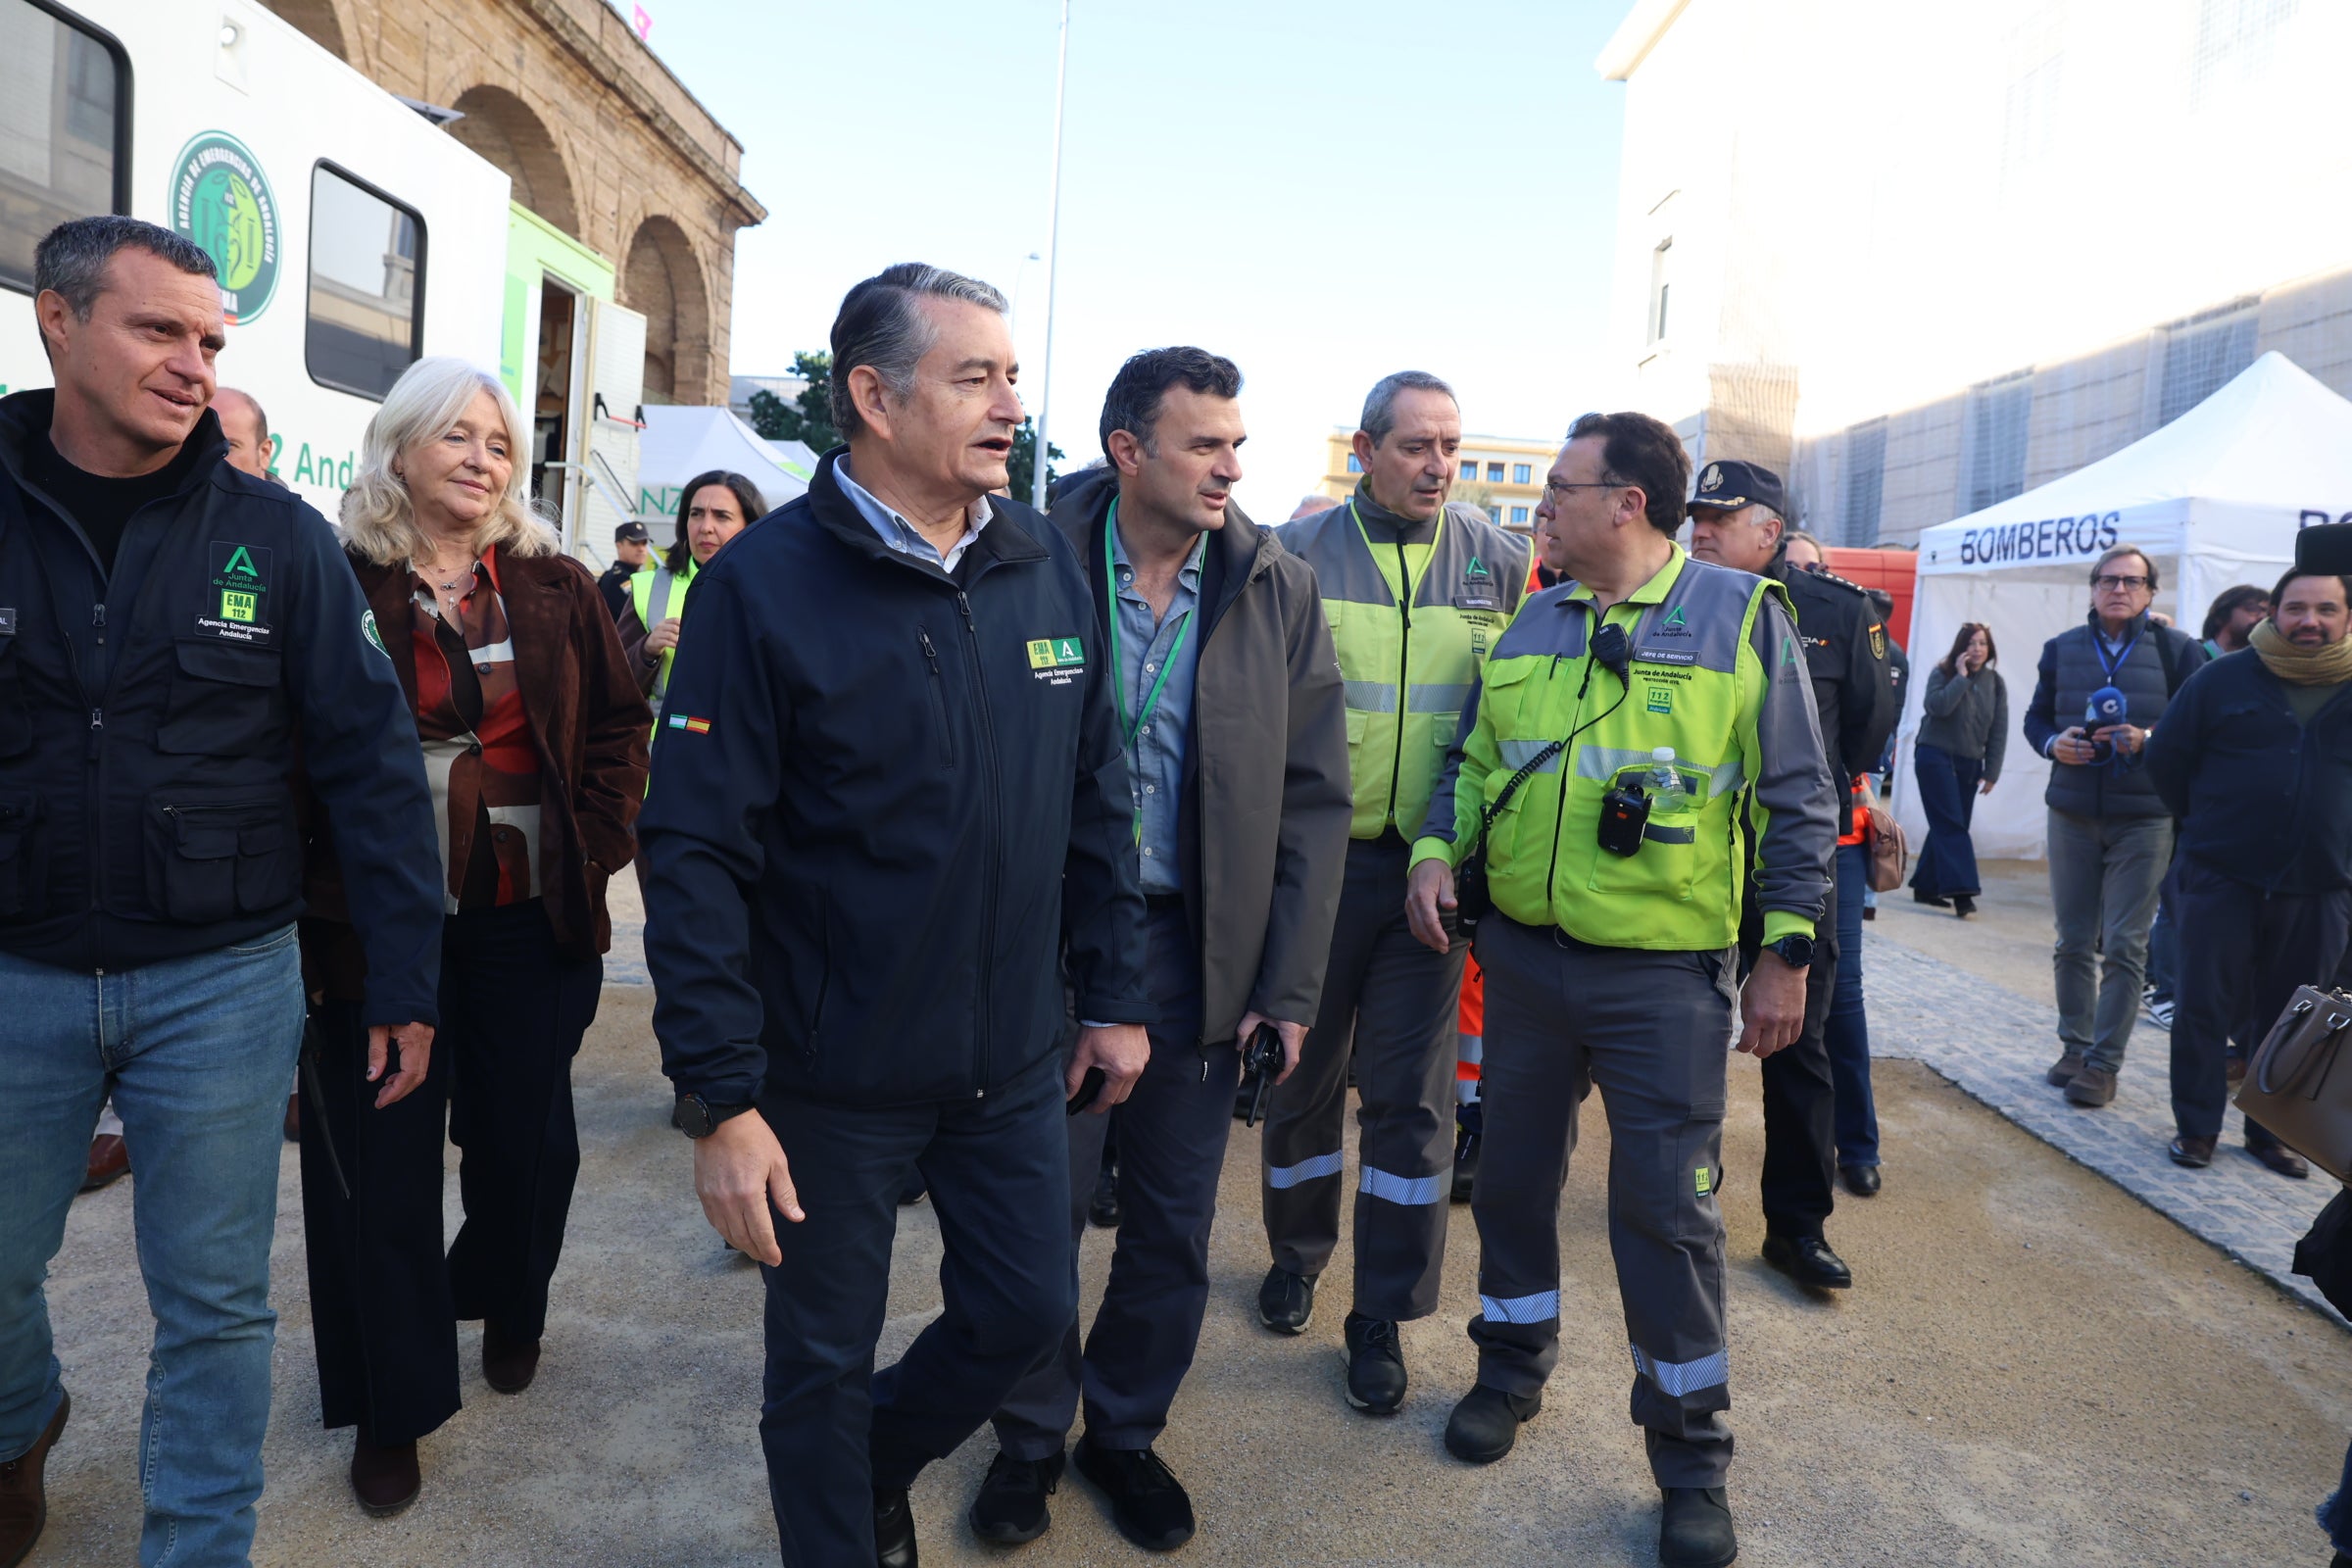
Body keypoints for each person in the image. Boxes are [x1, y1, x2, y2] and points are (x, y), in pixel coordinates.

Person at [636, 263, 1152, 1568]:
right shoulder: (765, 584)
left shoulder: (1041, 565)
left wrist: (1113, 995)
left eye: (1014, 376)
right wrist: (721, 1098)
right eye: (974, 376)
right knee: (814, 1361)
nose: (1011, 406)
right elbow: (692, 850)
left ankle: (872, 1463)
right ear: (872, 395)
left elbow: (1099, 799)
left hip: (1010, 1063)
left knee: (1024, 1311)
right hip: (829, 1080)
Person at [0, 216, 443, 1568]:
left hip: (223, 985)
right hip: (12, 974)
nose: (193, 363)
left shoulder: (279, 540)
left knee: (213, 1305)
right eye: (158, 329)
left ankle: (198, 1549)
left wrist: (406, 980)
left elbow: (375, 771)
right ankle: (22, 1421)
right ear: (58, 323)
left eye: (210, 340)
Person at [1404, 410, 1837, 1568]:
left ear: (1626, 502)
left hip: (1665, 985)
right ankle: (1510, 1370)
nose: (1539, 503)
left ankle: (1691, 1461)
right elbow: (1475, 761)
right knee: (1507, 1185)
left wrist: (1785, 955)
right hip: (1530, 967)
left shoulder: (1742, 616)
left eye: (1559, 486)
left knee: (1667, 1216)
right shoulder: (1534, 616)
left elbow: (1798, 799)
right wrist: (1436, 851)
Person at [970, 347, 1349, 1550]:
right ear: (1127, 449)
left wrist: (1286, 986)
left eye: (1237, 444)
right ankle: (1027, 1437)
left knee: (1174, 1226)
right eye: (1205, 444)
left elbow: (1312, 801)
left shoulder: (1275, 585)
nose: (1231, 467)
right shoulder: (1019, 558)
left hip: (1200, 954)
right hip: (1049, 949)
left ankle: (1121, 1433)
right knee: (1036, 1215)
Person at [294, 357, 651, 1512]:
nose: (482, 458)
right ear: (398, 449)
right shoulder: (339, 576)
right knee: (380, 1174)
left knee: (527, 1147)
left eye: (498, 441)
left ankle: (505, 1292)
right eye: (457, 436)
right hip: (375, 925)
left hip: (527, 919)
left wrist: (595, 845)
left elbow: (618, 726)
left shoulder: (555, 582)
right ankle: (392, 1406)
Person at [1258, 369, 1528, 1415]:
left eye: (1451, 445)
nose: (1438, 465)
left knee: (1411, 1107)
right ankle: (1296, 1256)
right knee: (1302, 1083)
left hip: (1431, 877)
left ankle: (1381, 1313)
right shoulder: (1297, 557)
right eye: (1415, 445)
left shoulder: (1500, 565)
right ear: (1365, 450)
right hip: (1316, 869)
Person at [1687, 459, 1894, 1284]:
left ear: (1770, 533)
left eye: (1720, 519)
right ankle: (1689, 1194)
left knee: (1800, 1041)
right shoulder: (1667, 601)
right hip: (1695, 856)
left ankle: (1797, 1225)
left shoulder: (1837, 613)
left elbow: (1867, 730)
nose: (1699, 530)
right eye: (1695, 517)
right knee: (1689, 1029)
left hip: (1791, 859)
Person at [2149, 566, 2352, 1180]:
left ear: (2347, 617)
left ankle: (2269, 1134)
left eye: (2325, 609)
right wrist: (2209, 827)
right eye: (2295, 607)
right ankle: (2197, 1127)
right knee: (2203, 1008)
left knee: (2297, 1019)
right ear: (2274, 613)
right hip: (2221, 876)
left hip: (2322, 886)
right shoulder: (2221, 679)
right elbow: (2166, 760)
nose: (2309, 621)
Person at [2022, 545, 2206, 1108]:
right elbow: (2036, 719)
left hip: (2145, 818)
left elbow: (2199, 728)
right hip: (2072, 811)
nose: (2119, 589)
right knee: (2073, 939)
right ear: (2093, 588)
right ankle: (2074, 1047)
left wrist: (2148, 741)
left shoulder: (2179, 651)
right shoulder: (2061, 649)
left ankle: (2104, 1064)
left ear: (2151, 591)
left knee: (2125, 944)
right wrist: (2057, 744)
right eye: (2108, 580)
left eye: (2132, 581)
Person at [614, 468, 766, 730]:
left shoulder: (773, 592)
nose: (705, 527)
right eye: (696, 514)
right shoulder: (647, 588)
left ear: (749, 526)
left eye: (722, 516)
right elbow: (610, 684)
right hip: (660, 761)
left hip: (741, 759)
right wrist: (647, 650)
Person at [1911, 622, 2007, 916]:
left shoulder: (1995, 682)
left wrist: (1992, 771)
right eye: (1972, 643)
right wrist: (1961, 678)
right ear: (1961, 647)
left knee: (1950, 823)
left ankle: (1926, 885)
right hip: (1934, 756)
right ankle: (1963, 892)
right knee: (1951, 823)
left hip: (1969, 761)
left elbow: (1998, 729)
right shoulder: (1943, 673)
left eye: (1983, 643)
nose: (1977, 649)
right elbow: (1936, 707)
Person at [597, 518, 653, 617]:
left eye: (644, 543)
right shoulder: (618, 579)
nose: (641, 549)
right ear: (619, 546)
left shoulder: (630, 576)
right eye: (634, 543)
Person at [2201, 583, 2271, 659]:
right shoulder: (2193, 656)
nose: (2263, 617)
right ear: (2221, 615)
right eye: (2252, 609)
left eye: (2268, 613)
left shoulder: (2265, 665)